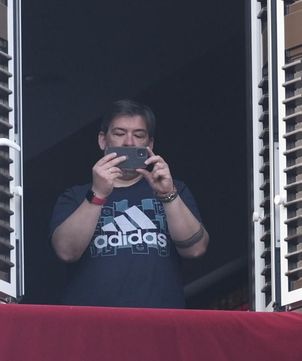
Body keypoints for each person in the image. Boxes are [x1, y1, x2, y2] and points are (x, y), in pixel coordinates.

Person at [50, 100, 209, 308]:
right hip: (94, 327)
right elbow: (66, 252)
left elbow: (196, 249)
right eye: (119, 133)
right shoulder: (76, 196)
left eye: (138, 135)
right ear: (102, 140)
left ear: (149, 145)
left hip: (157, 325)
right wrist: (98, 194)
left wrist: (168, 195)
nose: (129, 142)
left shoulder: (174, 190)